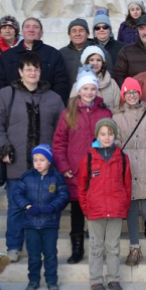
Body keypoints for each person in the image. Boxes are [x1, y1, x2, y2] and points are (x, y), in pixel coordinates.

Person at [0, 52, 65, 263]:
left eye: (36, 69)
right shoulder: (7, 94)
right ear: (20, 72)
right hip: (16, 162)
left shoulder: (53, 98)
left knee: (45, 207)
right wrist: (2, 148)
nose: (32, 72)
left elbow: (62, 131)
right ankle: (13, 246)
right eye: (28, 69)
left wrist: (56, 157)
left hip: (45, 167)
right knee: (16, 207)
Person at [52, 71, 112, 265]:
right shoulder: (68, 113)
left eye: (93, 88)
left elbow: (111, 140)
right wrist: (64, 166)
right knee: (77, 210)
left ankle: (98, 246)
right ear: (79, 90)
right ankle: (77, 248)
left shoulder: (104, 112)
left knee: (97, 211)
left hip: (98, 171)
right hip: (76, 171)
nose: (89, 92)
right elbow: (59, 143)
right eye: (85, 88)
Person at [113, 78, 146, 267]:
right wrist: (121, 161)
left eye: (135, 92)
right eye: (128, 93)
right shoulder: (117, 117)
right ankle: (134, 247)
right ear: (123, 96)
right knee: (132, 210)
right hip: (128, 166)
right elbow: (116, 141)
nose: (132, 96)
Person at [77, 119, 132, 290]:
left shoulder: (122, 158)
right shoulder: (90, 158)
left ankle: (113, 278)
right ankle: (96, 281)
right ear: (97, 136)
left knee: (113, 246)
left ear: (115, 135)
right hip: (96, 212)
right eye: (103, 134)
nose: (107, 137)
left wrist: (123, 206)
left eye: (110, 133)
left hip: (115, 211)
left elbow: (127, 185)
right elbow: (82, 186)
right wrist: (87, 209)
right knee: (96, 247)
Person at [13, 145, 70, 290]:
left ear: (49, 161)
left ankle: (51, 279)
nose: (38, 163)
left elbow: (63, 196)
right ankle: (33, 280)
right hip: (31, 224)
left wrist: (52, 207)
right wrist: (27, 206)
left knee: (50, 253)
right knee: (33, 255)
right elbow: (17, 194)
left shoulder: (56, 178)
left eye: (42, 160)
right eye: (35, 160)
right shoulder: (27, 177)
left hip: (49, 223)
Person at [0, 18, 70, 101]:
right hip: (14, 106)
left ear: (41, 33)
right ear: (22, 32)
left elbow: (61, 83)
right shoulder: (7, 56)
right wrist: (8, 102)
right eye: (27, 27)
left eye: (35, 27)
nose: (31, 30)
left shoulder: (53, 54)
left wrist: (52, 103)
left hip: (46, 105)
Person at [113, 14, 146, 86]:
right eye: (141, 28)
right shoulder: (127, 51)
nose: (145, 32)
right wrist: (130, 92)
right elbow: (118, 76)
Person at [77, 45, 120, 111]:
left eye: (98, 60)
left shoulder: (112, 83)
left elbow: (118, 107)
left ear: (103, 63)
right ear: (86, 62)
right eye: (91, 60)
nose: (95, 63)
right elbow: (74, 109)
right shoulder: (78, 84)